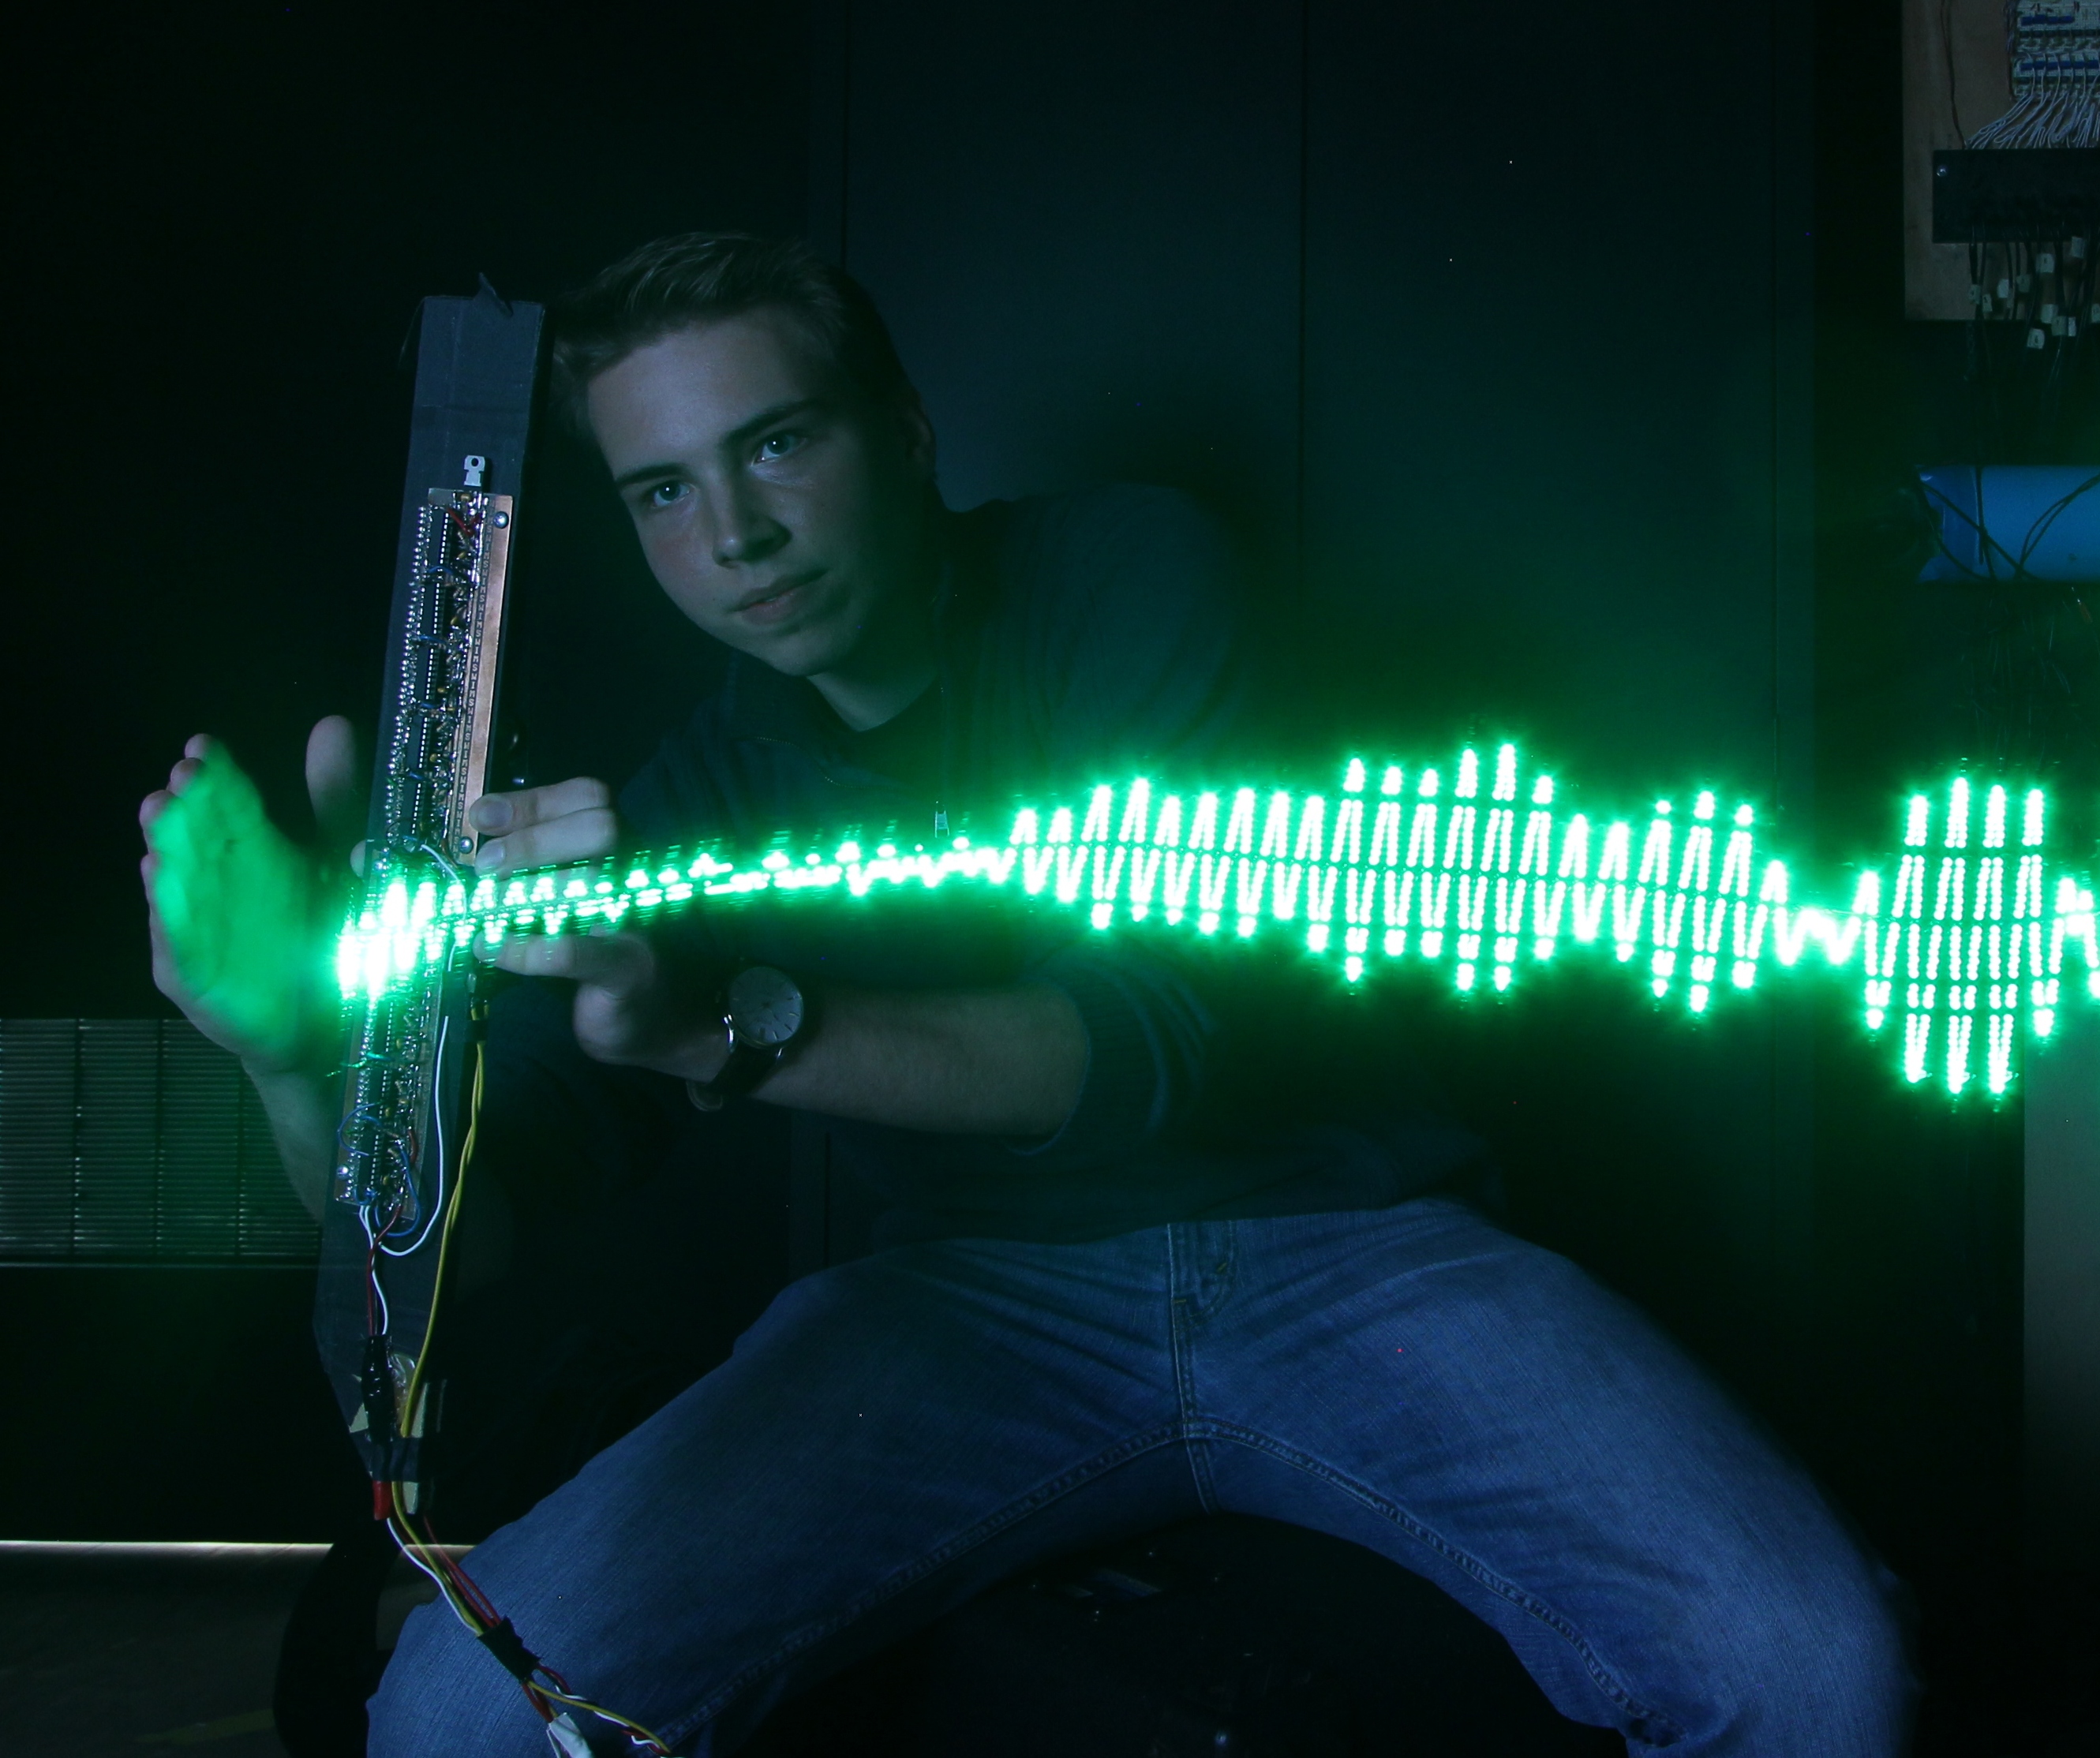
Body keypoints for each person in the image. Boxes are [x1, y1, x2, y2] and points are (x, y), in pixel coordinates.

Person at [137, 233, 1913, 1756]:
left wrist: (717, 1024)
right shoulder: (690, 800)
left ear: (904, 432)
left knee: (1806, 1668)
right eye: (665, 490)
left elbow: (1151, 1047)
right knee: (455, 1715)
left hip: (1351, 1255)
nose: (735, 534)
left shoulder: (1131, 572)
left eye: (777, 443)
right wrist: (297, 1053)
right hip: (966, 1310)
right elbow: (469, 1233)